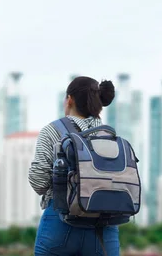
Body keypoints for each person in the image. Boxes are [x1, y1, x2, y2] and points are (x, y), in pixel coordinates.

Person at [28, 76, 120, 256]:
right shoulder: (111, 137)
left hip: (61, 223)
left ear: (69, 99)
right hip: (104, 229)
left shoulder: (52, 131)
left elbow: (38, 182)